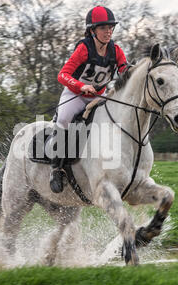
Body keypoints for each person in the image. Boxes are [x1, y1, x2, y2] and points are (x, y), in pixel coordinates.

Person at [48, 6, 129, 193]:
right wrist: (81, 86)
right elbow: (62, 75)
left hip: (99, 95)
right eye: (103, 28)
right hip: (75, 94)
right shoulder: (84, 49)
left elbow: (125, 70)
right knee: (64, 119)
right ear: (92, 30)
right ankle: (56, 168)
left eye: (111, 27)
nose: (108, 31)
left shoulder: (115, 50)